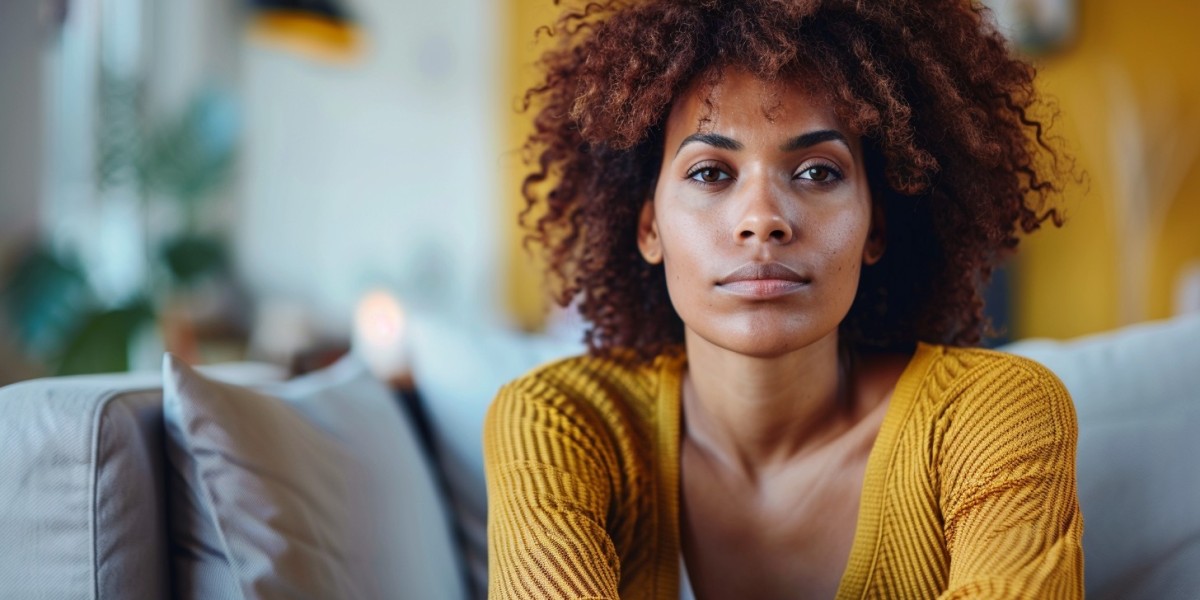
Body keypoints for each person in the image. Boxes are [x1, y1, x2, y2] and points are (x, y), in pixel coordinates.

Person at [483, 0, 1084, 598]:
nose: (763, 220)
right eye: (711, 173)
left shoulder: (994, 416)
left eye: (818, 172)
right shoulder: (557, 422)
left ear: (876, 227)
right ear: (649, 229)